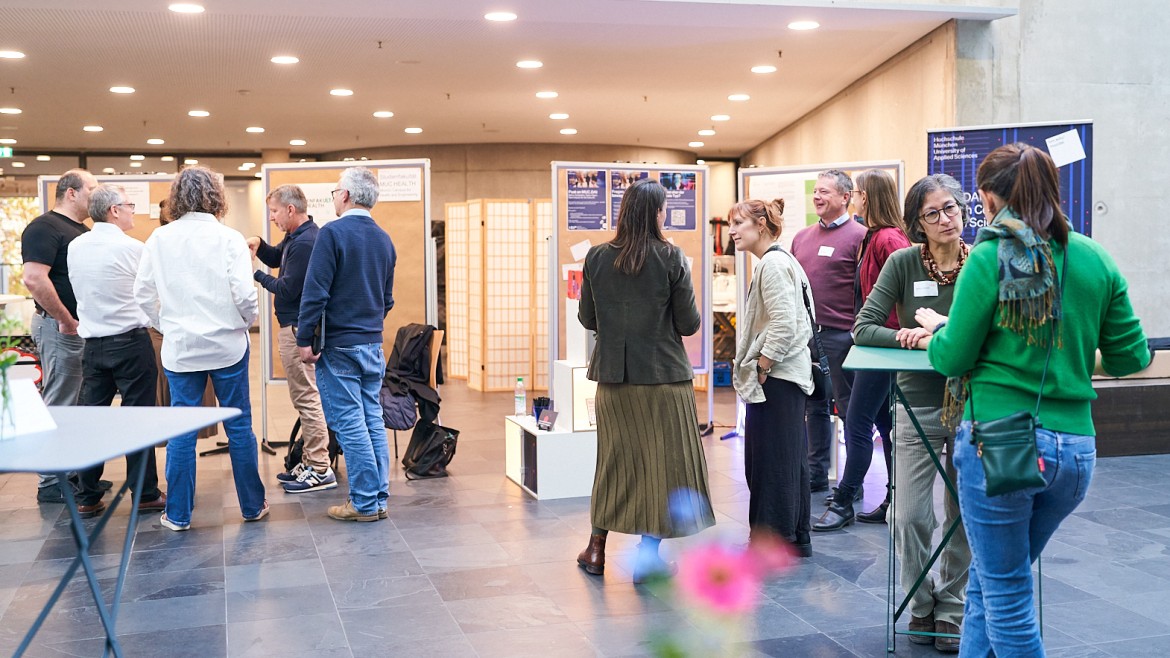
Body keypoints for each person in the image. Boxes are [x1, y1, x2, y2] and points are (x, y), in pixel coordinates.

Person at [925, 144, 1151, 656]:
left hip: (1002, 445)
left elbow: (953, 358)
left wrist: (939, 331)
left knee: (1006, 593)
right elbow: (1130, 357)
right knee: (992, 576)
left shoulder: (989, 256)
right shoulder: (1094, 258)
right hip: (1075, 453)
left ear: (987, 197)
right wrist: (1072, 355)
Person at [853, 174, 973, 652]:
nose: (946, 219)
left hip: (973, 404)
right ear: (916, 224)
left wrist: (935, 336)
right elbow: (864, 328)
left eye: (952, 209)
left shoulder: (982, 262)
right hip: (917, 402)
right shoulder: (903, 263)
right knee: (909, 516)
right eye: (933, 213)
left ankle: (952, 609)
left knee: (964, 513)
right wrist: (909, 336)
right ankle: (920, 602)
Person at [575, 178, 715, 584]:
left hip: (614, 382)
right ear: (656, 213)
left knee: (613, 464)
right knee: (661, 466)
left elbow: (587, 319)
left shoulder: (596, 257)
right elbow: (689, 324)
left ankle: (597, 548)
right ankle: (648, 558)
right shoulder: (671, 257)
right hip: (663, 381)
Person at [134, 166, 267, 531]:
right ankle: (252, 506)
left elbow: (142, 296)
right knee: (239, 426)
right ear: (216, 197)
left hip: (181, 349)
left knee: (182, 430)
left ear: (177, 198)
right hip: (227, 346)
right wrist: (243, 323)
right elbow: (244, 294)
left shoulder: (158, 240)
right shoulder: (229, 239)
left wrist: (164, 325)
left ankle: (177, 514)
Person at [297, 167, 396, 523]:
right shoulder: (385, 239)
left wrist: (304, 338)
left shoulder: (332, 234)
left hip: (338, 345)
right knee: (371, 420)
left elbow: (315, 292)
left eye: (336, 191)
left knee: (351, 423)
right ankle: (378, 499)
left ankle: (365, 502)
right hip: (372, 345)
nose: (334, 196)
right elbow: (387, 300)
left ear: (347, 196)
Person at [815, 169, 910, 531]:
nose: (853, 197)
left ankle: (843, 502)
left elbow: (905, 293)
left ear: (867, 197)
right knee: (884, 424)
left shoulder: (888, 239)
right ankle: (893, 498)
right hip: (873, 346)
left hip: (882, 348)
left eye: (856, 193)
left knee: (857, 422)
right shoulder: (875, 237)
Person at [66, 184, 166, 518]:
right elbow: (150, 296)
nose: (132, 210)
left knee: (91, 420)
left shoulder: (76, 246)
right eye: (129, 205)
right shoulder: (134, 249)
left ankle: (87, 495)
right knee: (138, 419)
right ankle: (146, 492)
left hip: (93, 346)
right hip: (131, 343)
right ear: (113, 210)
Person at [728, 198, 814, 557]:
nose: (732, 231)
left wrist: (762, 366)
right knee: (788, 460)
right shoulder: (778, 261)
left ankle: (771, 542)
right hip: (785, 377)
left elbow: (785, 322)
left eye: (739, 224)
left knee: (770, 463)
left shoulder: (773, 265)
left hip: (777, 378)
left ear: (761, 225)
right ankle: (794, 538)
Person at [246, 185, 334, 493]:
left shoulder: (307, 242)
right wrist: (261, 246)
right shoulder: (297, 237)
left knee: (308, 399)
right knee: (303, 398)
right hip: (293, 326)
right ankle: (311, 462)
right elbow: (279, 259)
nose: (271, 217)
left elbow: (287, 287)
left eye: (273, 211)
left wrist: (255, 275)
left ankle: (320, 468)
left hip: (297, 328)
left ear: (290, 210)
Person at [21, 168, 99, 504]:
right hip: (59, 328)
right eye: (91, 189)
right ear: (71, 192)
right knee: (60, 401)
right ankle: (51, 481)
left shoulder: (79, 229)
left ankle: (72, 474)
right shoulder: (44, 227)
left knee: (76, 404)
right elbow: (34, 279)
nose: (95, 196)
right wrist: (65, 320)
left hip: (75, 328)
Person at [790, 169, 866, 494]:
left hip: (841, 337)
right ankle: (816, 475)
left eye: (826, 192)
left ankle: (852, 483)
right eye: (816, 191)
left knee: (850, 409)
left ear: (846, 197)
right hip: (806, 336)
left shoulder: (861, 236)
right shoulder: (801, 238)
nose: (818, 197)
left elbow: (866, 290)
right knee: (814, 405)